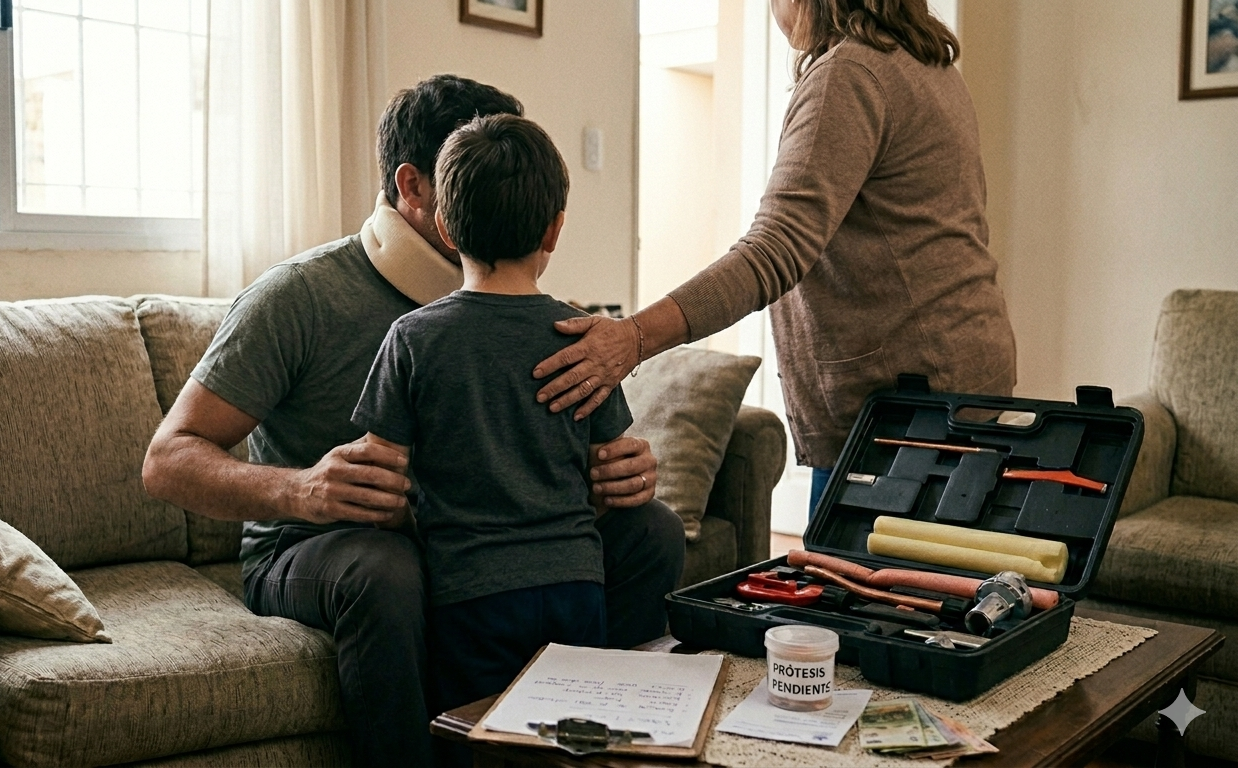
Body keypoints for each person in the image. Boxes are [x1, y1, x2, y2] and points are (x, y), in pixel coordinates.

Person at [141, 75, 685, 768]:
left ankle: (596, 743)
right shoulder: (299, 297)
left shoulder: (538, 317)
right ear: (414, 186)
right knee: (385, 568)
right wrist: (301, 489)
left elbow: (569, 444)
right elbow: (167, 460)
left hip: (477, 539)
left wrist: (622, 471)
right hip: (322, 545)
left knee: (652, 532)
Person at [529, 0, 1016, 519]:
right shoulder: (928, 67)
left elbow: (773, 250)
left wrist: (634, 338)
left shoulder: (851, 74)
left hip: (904, 413)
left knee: (865, 594)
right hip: (962, 375)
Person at [354, 113, 632, 720]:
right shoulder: (586, 338)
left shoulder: (412, 339)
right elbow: (611, 477)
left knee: (479, 737)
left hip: (469, 592)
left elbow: (381, 485)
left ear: (447, 229)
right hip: (576, 584)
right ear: (554, 230)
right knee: (574, 740)